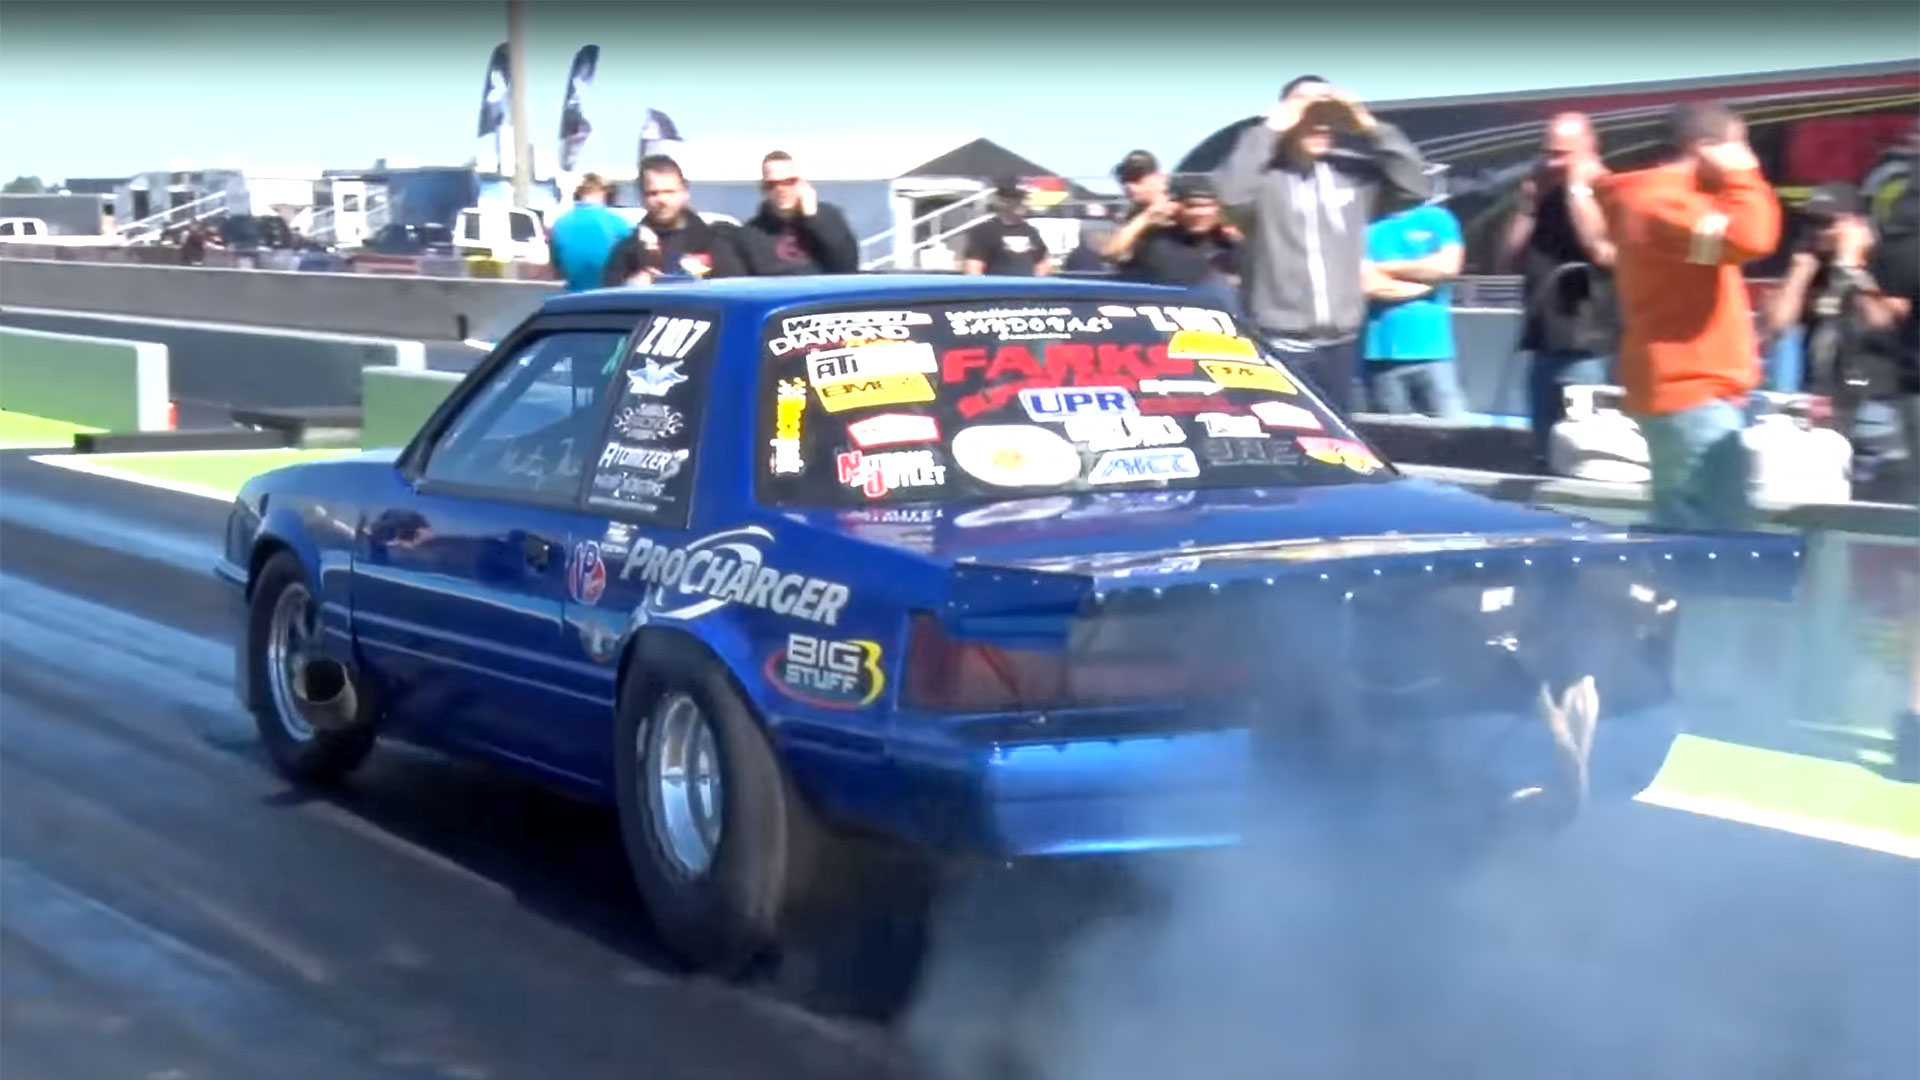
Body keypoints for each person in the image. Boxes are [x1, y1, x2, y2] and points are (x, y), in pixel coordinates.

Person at [1595, 100, 1781, 532]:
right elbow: (1752, 238)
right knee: (1714, 535)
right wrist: (1742, 175)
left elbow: (1726, 246)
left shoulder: (1674, 204)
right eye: (1741, 146)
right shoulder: (1664, 203)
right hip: (1690, 390)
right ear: (1706, 147)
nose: (1748, 156)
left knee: (1691, 530)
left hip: (1691, 391)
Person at [1213, 74, 1428, 415]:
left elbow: (1414, 188)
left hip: (1342, 345)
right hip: (1278, 342)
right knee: (1284, 436)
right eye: (1309, 114)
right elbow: (1229, 195)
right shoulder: (1264, 181)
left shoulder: (1353, 178)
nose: (1321, 124)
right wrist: (1270, 129)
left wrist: (1368, 125)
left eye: (1328, 115)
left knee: (1338, 441)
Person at [1501, 112, 1619, 471]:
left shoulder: (1609, 189)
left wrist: (1578, 190)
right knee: (1544, 449)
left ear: (1590, 147)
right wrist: (1528, 206)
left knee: (1585, 450)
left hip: (1589, 341)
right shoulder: (1545, 195)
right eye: (1547, 153)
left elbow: (1602, 250)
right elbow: (1509, 257)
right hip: (1545, 339)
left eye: (1562, 154)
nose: (1552, 163)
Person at [1360, 199, 1468, 419]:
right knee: (1390, 436)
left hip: (1435, 353)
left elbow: (1447, 266)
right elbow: (1369, 285)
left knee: (1454, 431)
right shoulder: (1366, 229)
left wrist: (1387, 268)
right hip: (1382, 358)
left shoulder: (1438, 219)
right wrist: (1425, 283)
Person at [1761, 184, 1866, 396]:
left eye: (1827, 224)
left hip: (1867, 381)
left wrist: (1850, 263)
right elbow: (1778, 327)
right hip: (1815, 384)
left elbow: (1880, 322)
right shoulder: (1810, 261)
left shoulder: (1879, 259)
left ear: (1855, 223)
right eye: (1812, 224)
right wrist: (1799, 274)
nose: (1818, 232)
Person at [601, 154, 745, 286]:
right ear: (642, 197)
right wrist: (630, 287)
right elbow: (609, 296)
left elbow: (734, 290)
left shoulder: (714, 241)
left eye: (669, 192)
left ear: (685, 192)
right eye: (653, 193)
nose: (662, 200)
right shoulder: (628, 250)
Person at [1113, 174, 1243, 314]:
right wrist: (1148, 216)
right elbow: (1112, 252)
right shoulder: (1155, 239)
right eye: (1192, 206)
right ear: (1175, 207)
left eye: (1207, 206)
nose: (1201, 213)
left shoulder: (1227, 242)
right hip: (1157, 317)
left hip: (1212, 321)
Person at [734, 150, 859, 275]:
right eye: (772, 184)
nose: (781, 189)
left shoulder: (830, 217)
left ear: (802, 184)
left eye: (789, 182)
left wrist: (813, 218)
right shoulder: (751, 234)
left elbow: (848, 265)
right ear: (763, 189)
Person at [546, 173, 633, 292]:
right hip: (611, 296)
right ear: (605, 194)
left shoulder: (560, 223)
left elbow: (557, 272)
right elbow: (633, 265)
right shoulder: (619, 223)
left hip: (573, 297)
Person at [960, 178, 1053, 277]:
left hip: (1026, 286)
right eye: (1017, 200)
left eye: (1024, 199)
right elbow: (974, 265)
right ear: (1003, 202)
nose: (1022, 203)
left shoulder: (1031, 231)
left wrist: (1037, 282)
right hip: (998, 285)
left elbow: (1042, 261)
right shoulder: (985, 231)